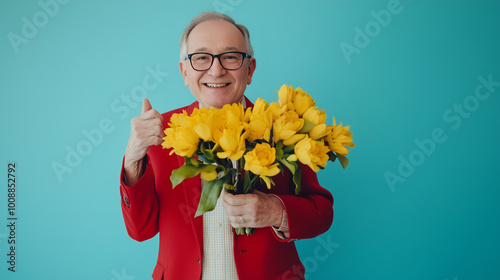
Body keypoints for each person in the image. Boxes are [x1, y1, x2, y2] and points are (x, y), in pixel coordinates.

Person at [120, 11, 333, 280]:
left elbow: (322, 213)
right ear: (185, 72)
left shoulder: (284, 128)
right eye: (201, 58)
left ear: (250, 69)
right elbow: (141, 230)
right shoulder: (160, 132)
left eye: (230, 57)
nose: (216, 69)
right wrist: (132, 161)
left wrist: (275, 211)